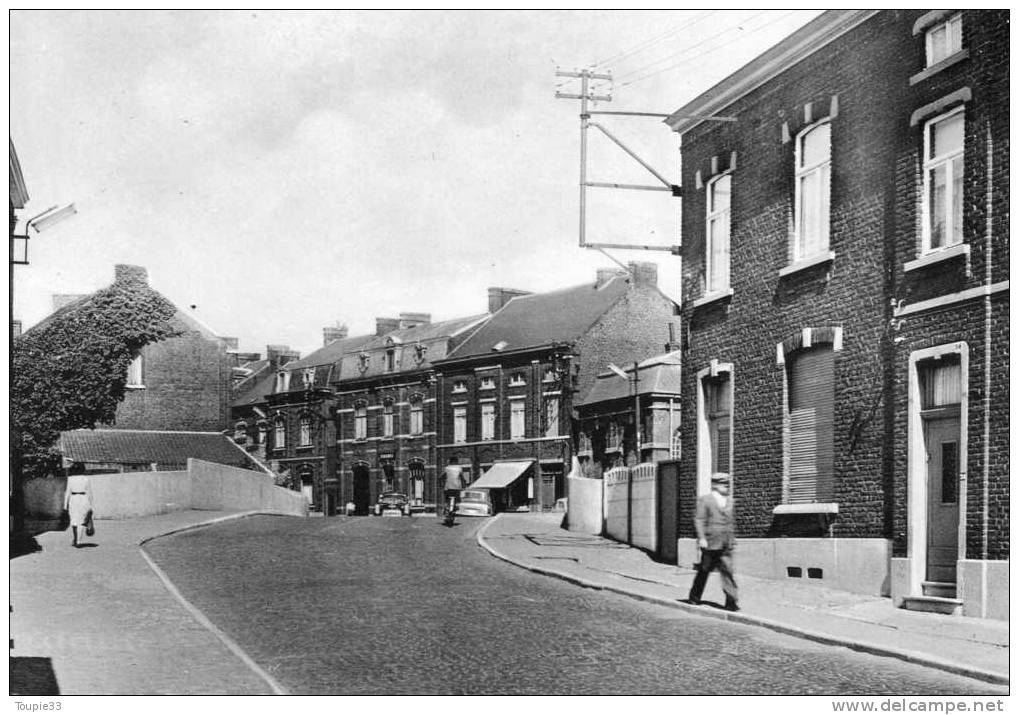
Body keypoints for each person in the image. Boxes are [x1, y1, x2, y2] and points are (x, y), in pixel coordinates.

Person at [687, 473, 738, 611]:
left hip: (725, 542)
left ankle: (731, 601)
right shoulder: (705, 500)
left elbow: (731, 522)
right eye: (723, 484)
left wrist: (732, 539)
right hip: (710, 542)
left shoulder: (730, 501)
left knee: (728, 571)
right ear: (714, 485)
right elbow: (699, 520)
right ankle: (694, 597)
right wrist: (702, 538)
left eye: (727, 484)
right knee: (704, 570)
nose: (726, 486)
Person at [63, 464, 94, 548]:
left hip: (73, 499)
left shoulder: (70, 479)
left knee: (74, 519)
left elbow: (67, 492)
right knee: (82, 520)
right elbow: (89, 493)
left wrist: (65, 505)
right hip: (84, 499)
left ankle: (76, 539)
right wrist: (91, 505)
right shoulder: (86, 479)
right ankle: (78, 540)